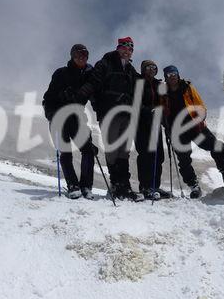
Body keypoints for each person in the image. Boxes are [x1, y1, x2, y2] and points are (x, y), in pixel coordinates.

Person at [77, 37, 144, 202]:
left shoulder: (130, 70)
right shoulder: (106, 63)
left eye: (130, 49)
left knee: (124, 150)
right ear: (118, 48)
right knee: (113, 149)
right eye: (124, 47)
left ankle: (124, 187)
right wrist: (80, 98)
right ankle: (115, 186)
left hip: (126, 115)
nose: (127, 51)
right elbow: (93, 82)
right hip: (110, 113)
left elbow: (141, 87)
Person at [161, 65, 224, 199]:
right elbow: (161, 112)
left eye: (174, 73)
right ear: (166, 77)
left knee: (217, 146)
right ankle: (194, 187)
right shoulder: (163, 93)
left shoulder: (187, 87)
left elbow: (200, 105)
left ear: (178, 74)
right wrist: (166, 125)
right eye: (169, 74)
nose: (172, 76)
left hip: (194, 127)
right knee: (184, 160)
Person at [42, 44, 95, 200]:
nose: (82, 58)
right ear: (72, 56)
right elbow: (48, 97)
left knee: (88, 150)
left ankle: (86, 186)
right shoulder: (61, 73)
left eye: (85, 55)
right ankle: (73, 185)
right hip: (59, 116)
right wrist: (51, 114)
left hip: (76, 117)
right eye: (78, 55)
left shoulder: (89, 75)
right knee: (65, 152)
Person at [135, 60, 171, 200]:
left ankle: (154, 186)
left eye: (154, 67)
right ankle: (145, 187)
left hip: (155, 124)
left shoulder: (158, 85)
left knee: (158, 156)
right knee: (145, 155)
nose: (151, 69)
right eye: (148, 67)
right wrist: (150, 110)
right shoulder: (138, 83)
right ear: (143, 69)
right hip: (141, 123)